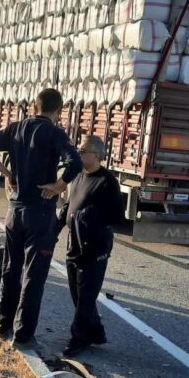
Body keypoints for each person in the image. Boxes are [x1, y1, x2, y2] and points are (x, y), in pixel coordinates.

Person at [0, 88, 82, 349]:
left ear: (35, 106)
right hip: (41, 212)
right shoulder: (55, 133)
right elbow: (75, 163)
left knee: (11, 268)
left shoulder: (15, 128)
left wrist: (7, 172)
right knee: (33, 275)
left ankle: (3, 325)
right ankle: (23, 335)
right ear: (58, 111)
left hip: (15, 212)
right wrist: (59, 185)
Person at [57, 135, 124, 357]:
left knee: (85, 296)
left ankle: (78, 339)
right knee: (78, 295)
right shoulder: (76, 176)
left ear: (97, 156)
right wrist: (53, 231)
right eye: (79, 149)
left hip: (94, 248)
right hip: (74, 245)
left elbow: (116, 216)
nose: (79, 153)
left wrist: (86, 215)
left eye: (83, 150)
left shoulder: (107, 182)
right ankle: (96, 333)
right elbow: (68, 206)